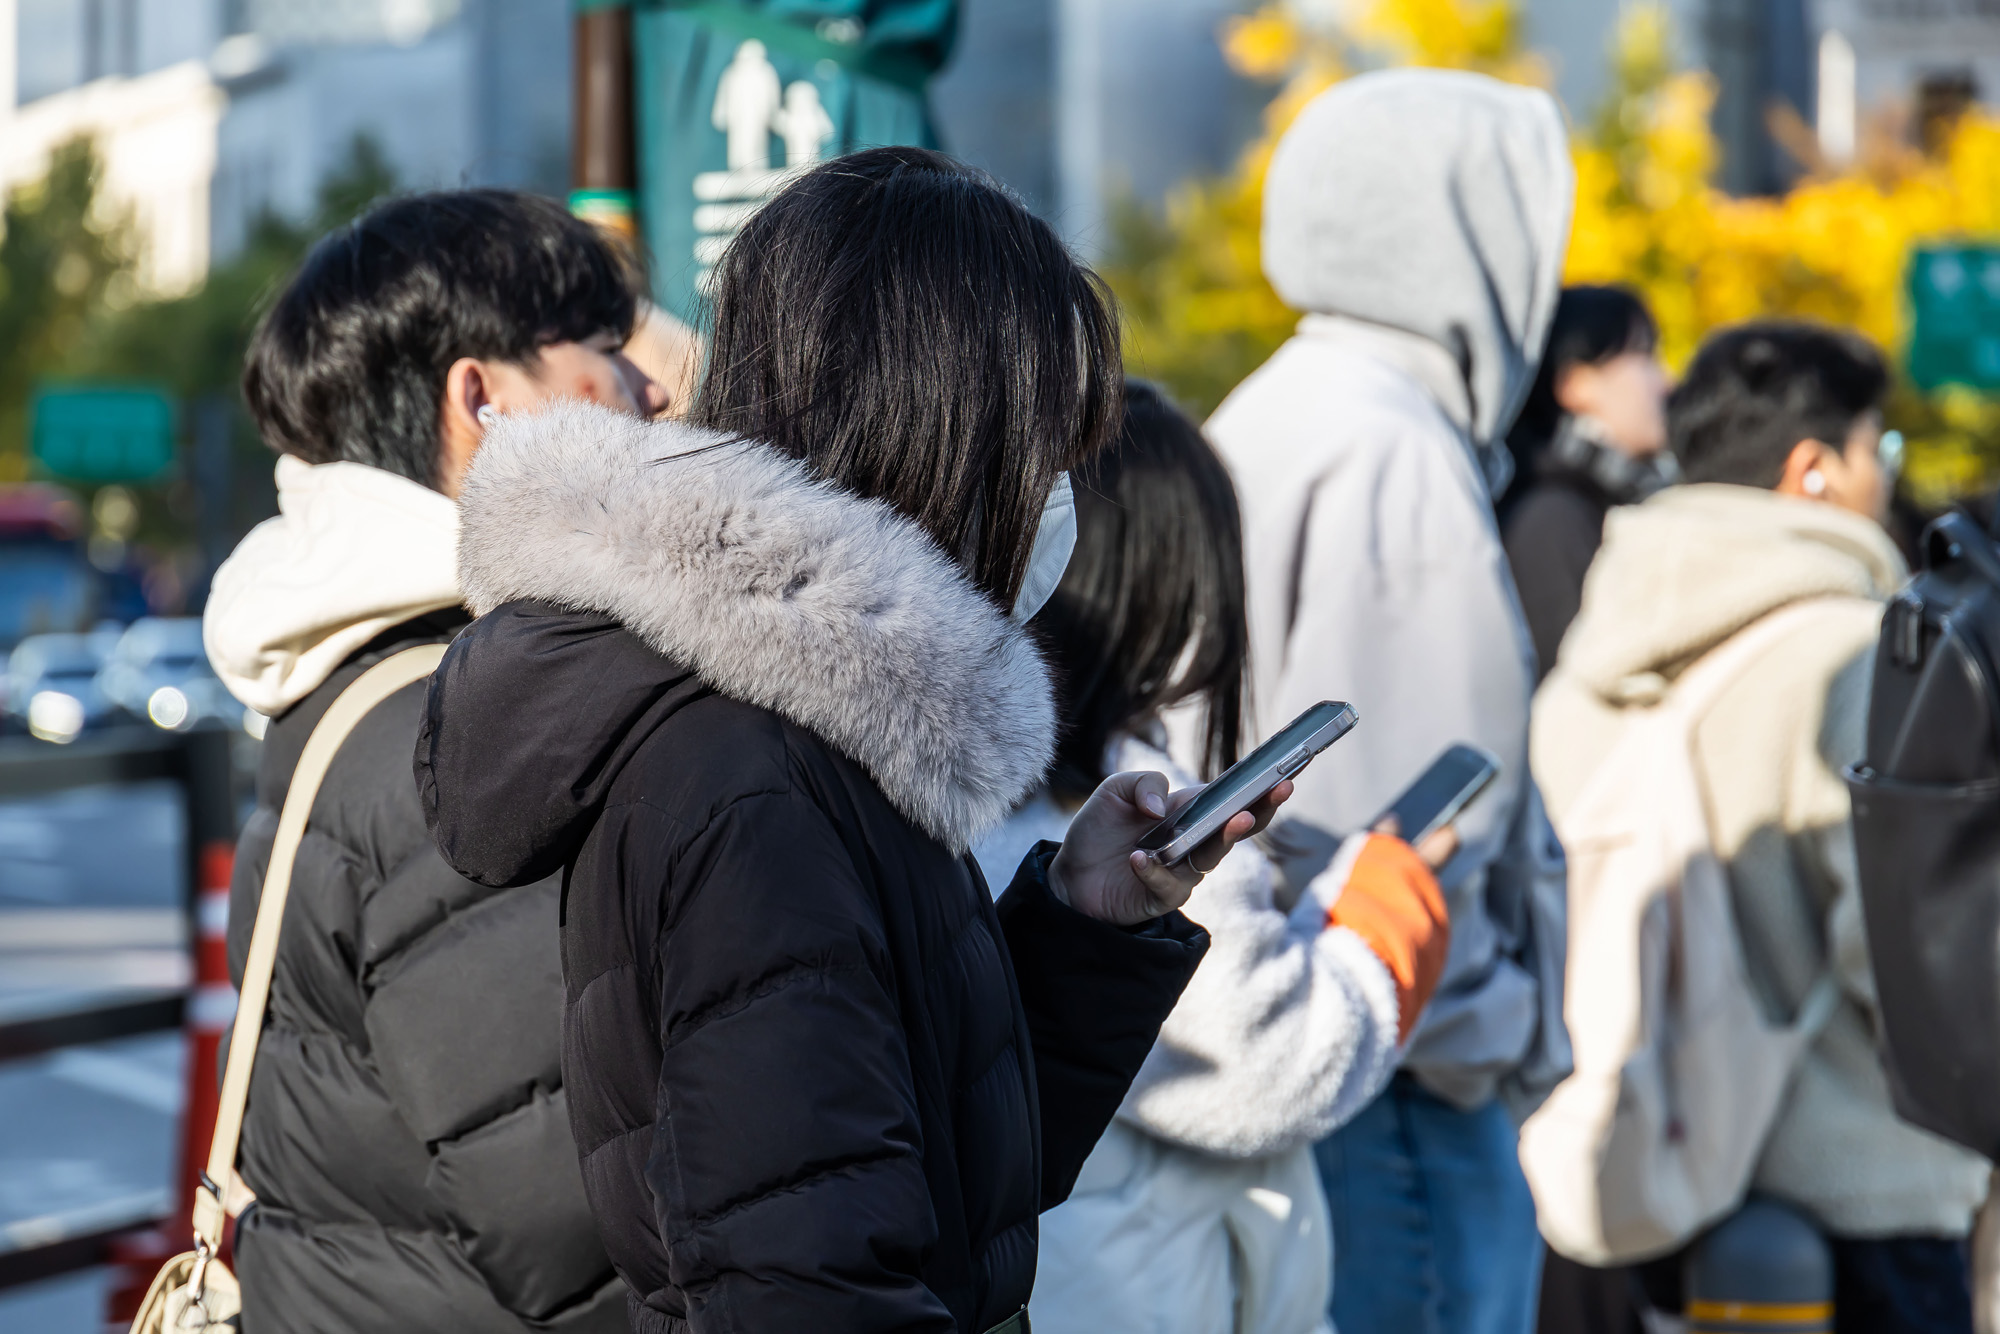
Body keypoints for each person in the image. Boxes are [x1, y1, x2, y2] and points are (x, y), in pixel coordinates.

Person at [416, 148, 1280, 1334]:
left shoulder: (809, 728)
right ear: (948, 433)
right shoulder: (753, 776)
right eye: (1042, 452)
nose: (1050, 496)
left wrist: (1081, 922)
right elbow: (812, 1279)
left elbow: (918, 1173)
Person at [202, 190, 664, 1331]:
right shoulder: (461, 730)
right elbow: (594, 1229)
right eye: (605, 351)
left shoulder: (368, 673)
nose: (650, 389)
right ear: (482, 399)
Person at [1204, 68, 1574, 1334]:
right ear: (1464, 231)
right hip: (1399, 1070)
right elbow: (1425, 808)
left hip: (1336, 1042)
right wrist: (1486, 1032)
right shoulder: (1389, 447)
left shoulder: (1294, 406)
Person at [1533, 321, 1992, 1333]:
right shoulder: (1848, 656)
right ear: (1812, 469)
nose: (1887, 479)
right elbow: (1905, 947)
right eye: (1883, 449)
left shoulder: (1589, 666)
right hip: (1859, 1189)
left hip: (1647, 1176)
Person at [972, 381, 1453, 1334]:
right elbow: (1270, 1068)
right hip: (1152, 1294)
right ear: (1176, 574)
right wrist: (1387, 903)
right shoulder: (1121, 805)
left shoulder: (969, 775)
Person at [1499, 285, 1675, 681]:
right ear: (1576, 383)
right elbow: (1569, 689)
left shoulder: (1594, 502)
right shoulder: (1553, 520)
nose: (1665, 381)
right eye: (1644, 356)